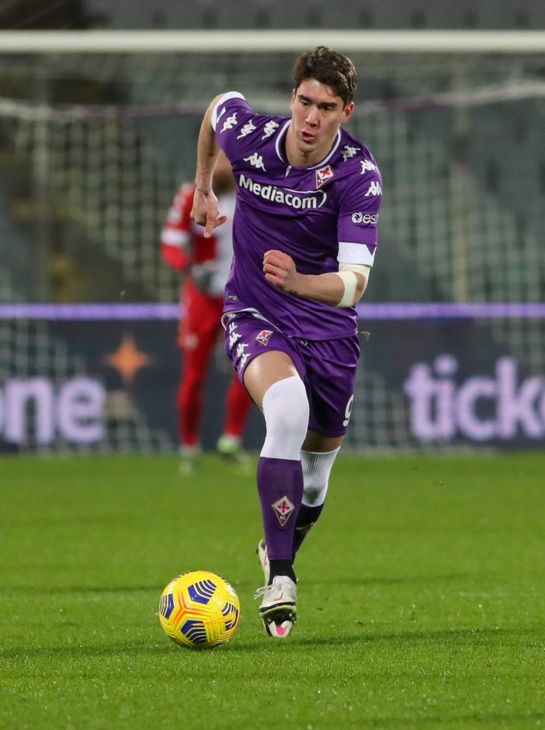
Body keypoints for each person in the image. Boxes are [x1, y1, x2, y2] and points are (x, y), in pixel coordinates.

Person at [191, 46, 382, 638]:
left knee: (318, 475)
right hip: (254, 311)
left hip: (325, 326)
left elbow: (355, 283)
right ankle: (281, 576)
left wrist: (300, 281)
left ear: (345, 111)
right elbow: (215, 107)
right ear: (292, 96)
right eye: (303, 101)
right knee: (286, 409)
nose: (310, 117)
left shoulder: (357, 175)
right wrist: (203, 186)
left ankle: (275, 542)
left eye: (326, 107)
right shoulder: (249, 136)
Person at [160, 152, 254, 474]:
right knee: (194, 374)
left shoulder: (252, 194)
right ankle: (189, 447)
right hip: (202, 298)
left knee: (246, 368)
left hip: (241, 296)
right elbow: (170, 243)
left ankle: (232, 439)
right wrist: (187, 267)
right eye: (221, 158)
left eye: (231, 158)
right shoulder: (191, 195)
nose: (227, 165)